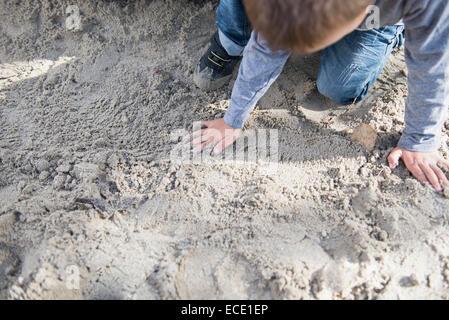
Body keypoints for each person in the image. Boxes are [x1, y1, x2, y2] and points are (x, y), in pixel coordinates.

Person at [191, 0, 449, 192]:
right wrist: (233, 119)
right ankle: (232, 39)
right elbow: (266, 46)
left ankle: (395, 30)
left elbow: (433, 64)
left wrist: (420, 138)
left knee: (339, 88)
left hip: (382, 15)